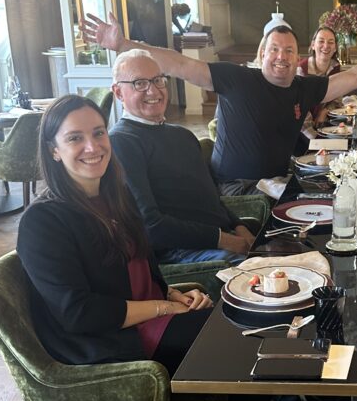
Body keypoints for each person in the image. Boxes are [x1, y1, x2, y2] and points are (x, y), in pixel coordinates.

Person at [16, 95, 286, 401]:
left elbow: (141, 263)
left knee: (252, 325)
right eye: (74, 138)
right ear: (53, 150)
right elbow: (78, 313)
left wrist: (170, 293)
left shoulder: (112, 193)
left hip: (144, 318)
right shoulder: (43, 221)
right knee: (253, 345)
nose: (92, 146)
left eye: (98, 133)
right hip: (107, 346)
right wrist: (163, 309)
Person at [84, 12, 357, 195]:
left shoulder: (304, 87)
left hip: (278, 181)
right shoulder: (236, 79)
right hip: (239, 187)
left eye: (288, 51)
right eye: (274, 50)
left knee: (338, 193)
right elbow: (177, 63)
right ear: (262, 54)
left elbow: (356, 76)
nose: (281, 57)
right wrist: (124, 45)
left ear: (297, 56)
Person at [108, 50, 256, 265]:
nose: (153, 90)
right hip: (181, 251)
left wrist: (240, 227)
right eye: (140, 83)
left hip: (221, 239)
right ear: (119, 93)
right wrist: (224, 240)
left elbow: (213, 200)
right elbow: (151, 225)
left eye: (158, 80)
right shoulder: (122, 142)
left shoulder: (183, 135)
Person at [297, 25, 342, 129]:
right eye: (321, 41)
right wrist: (314, 131)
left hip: (327, 124)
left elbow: (337, 99)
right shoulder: (302, 69)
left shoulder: (335, 68)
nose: (326, 46)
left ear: (335, 48)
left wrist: (324, 111)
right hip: (302, 126)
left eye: (330, 42)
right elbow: (299, 106)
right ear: (313, 45)